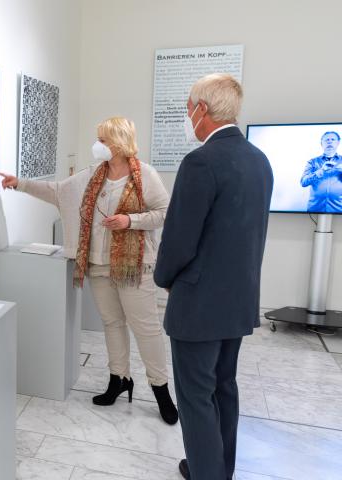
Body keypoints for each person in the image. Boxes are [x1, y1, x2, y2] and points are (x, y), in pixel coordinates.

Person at [0, 117, 178, 425]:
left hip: (134, 266)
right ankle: (118, 379)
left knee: (145, 329)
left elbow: (164, 213)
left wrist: (129, 221)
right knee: (112, 323)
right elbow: (57, 191)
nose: (98, 145)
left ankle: (160, 388)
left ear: (119, 143)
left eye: (104, 140)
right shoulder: (92, 174)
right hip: (97, 263)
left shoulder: (144, 174)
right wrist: (21, 183)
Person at [154, 74, 273, 480]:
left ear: (201, 109)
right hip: (238, 301)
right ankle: (218, 468)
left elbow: (179, 239)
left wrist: (164, 277)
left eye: (189, 106)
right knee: (224, 387)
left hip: (198, 304)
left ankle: (207, 473)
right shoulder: (259, 159)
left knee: (195, 397)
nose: (187, 114)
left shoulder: (201, 161)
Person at [300, 131, 342, 212]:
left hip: (338, 209)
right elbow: (303, 182)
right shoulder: (312, 162)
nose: (330, 141)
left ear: (338, 142)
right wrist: (321, 170)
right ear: (321, 143)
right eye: (327, 140)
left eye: (333, 139)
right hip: (314, 209)